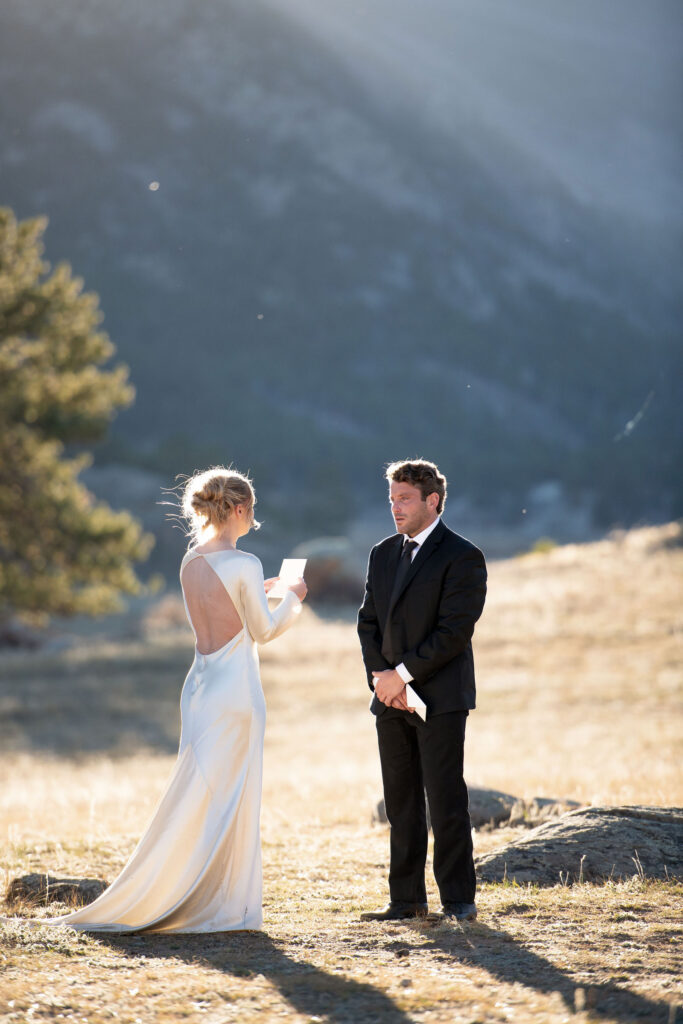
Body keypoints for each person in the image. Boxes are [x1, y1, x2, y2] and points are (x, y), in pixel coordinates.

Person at [26, 467, 306, 932]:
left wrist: (262, 592)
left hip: (199, 688)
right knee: (233, 796)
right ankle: (222, 904)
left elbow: (219, 609)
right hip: (236, 692)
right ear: (238, 509)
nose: (251, 522)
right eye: (251, 513)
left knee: (199, 792)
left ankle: (184, 888)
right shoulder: (246, 563)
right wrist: (292, 598)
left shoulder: (192, 560)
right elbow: (263, 630)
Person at [357, 459, 486, 922]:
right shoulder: (382, 553)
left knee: (446, 799)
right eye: (392, 499)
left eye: (405, 499)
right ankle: (406, 901)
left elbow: (454, 632)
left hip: (441, 698)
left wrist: (403, 675)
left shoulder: (463, 556)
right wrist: (381, 678)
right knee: (402, 803)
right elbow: (367, 621)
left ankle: (458, 901)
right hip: (390, 697)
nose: (395, 507)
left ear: (432, 501)